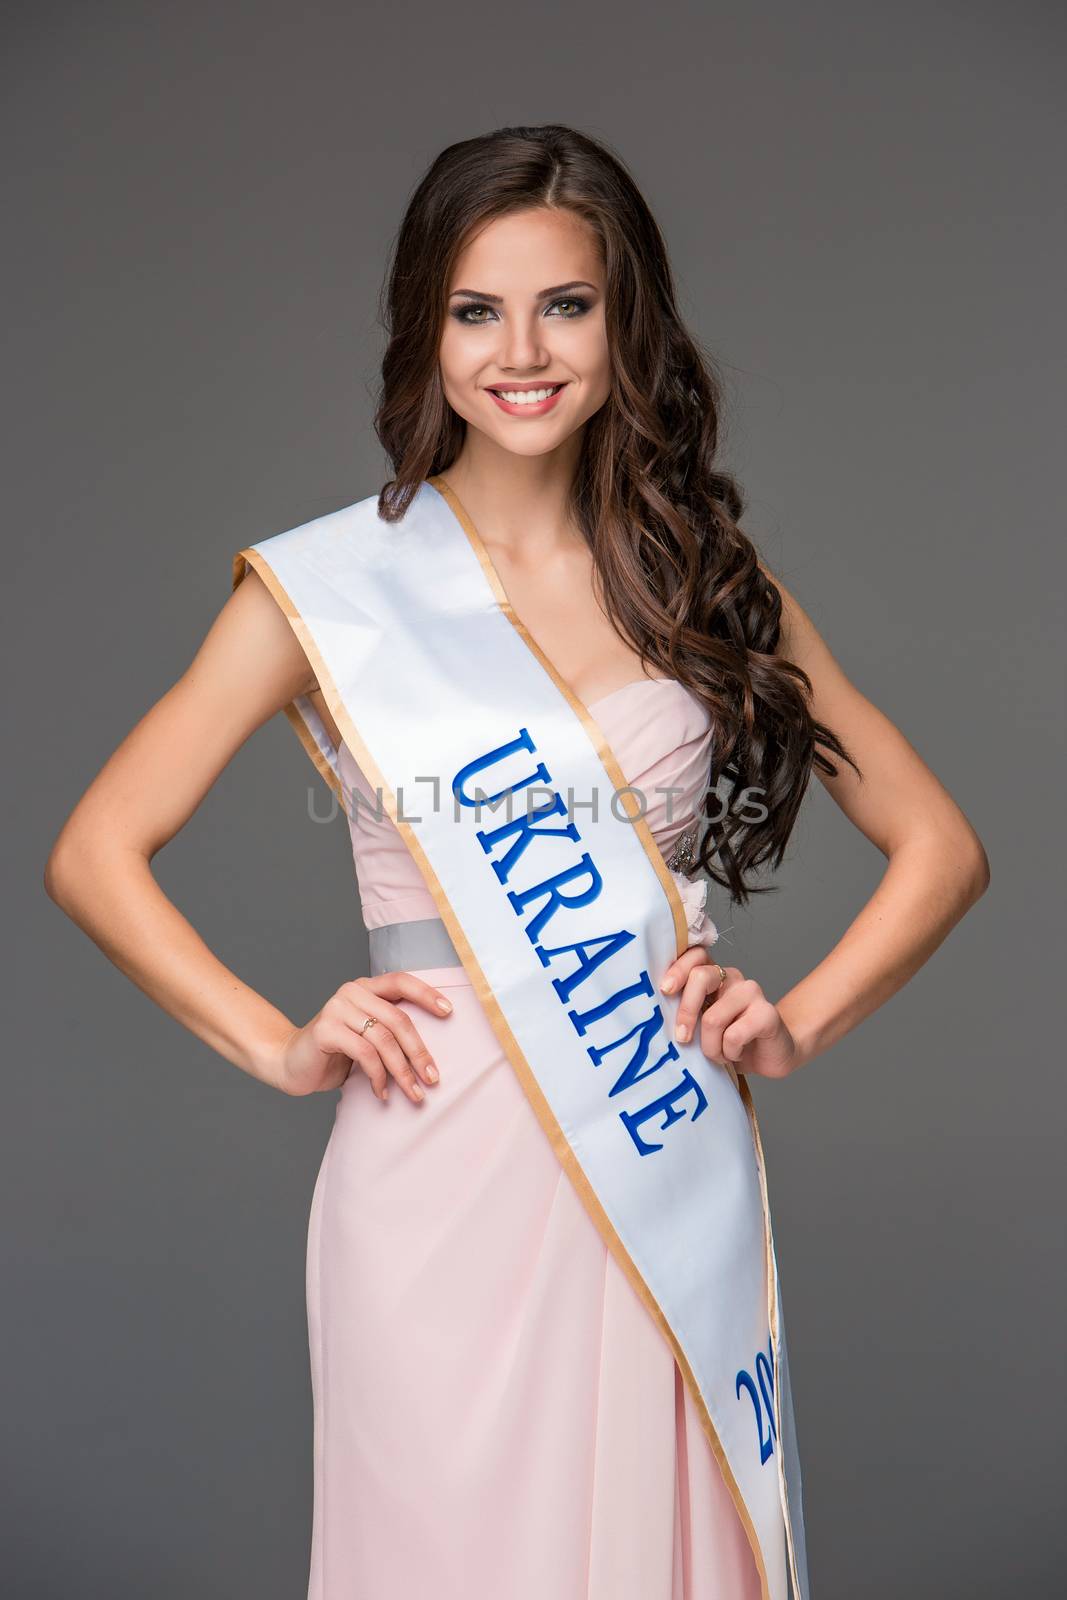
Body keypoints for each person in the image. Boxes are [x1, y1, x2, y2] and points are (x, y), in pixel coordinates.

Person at [44, 123, 990, 1600]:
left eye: (567, 304)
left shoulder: (705, 587)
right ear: (427, 326)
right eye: (476, 310)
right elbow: (97, 850)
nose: (521, 351)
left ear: (629, 323)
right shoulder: (333, 593)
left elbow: (942, 848)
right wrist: (283, 1043)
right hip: (427, 1173)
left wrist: (795, 1021)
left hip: (652, 1154)